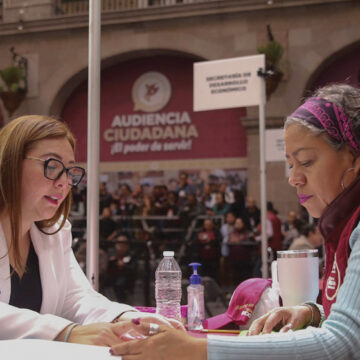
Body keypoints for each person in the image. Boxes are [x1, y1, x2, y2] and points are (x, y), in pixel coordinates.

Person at [110, 84, 360, 359]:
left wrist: (197, 349)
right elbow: (351, 319)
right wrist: (313, 313)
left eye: (307, 162)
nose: (294, 178)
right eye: (291, 164)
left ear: (354, 157)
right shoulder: (341, 221)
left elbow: (345, 343)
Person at [0, 115, 181, 344]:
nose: (64, 182)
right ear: (10, 163)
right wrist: (65, 332)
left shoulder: (55, 234)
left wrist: (127, 319)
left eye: (69, 171)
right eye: (52, 165)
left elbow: (76, 298)